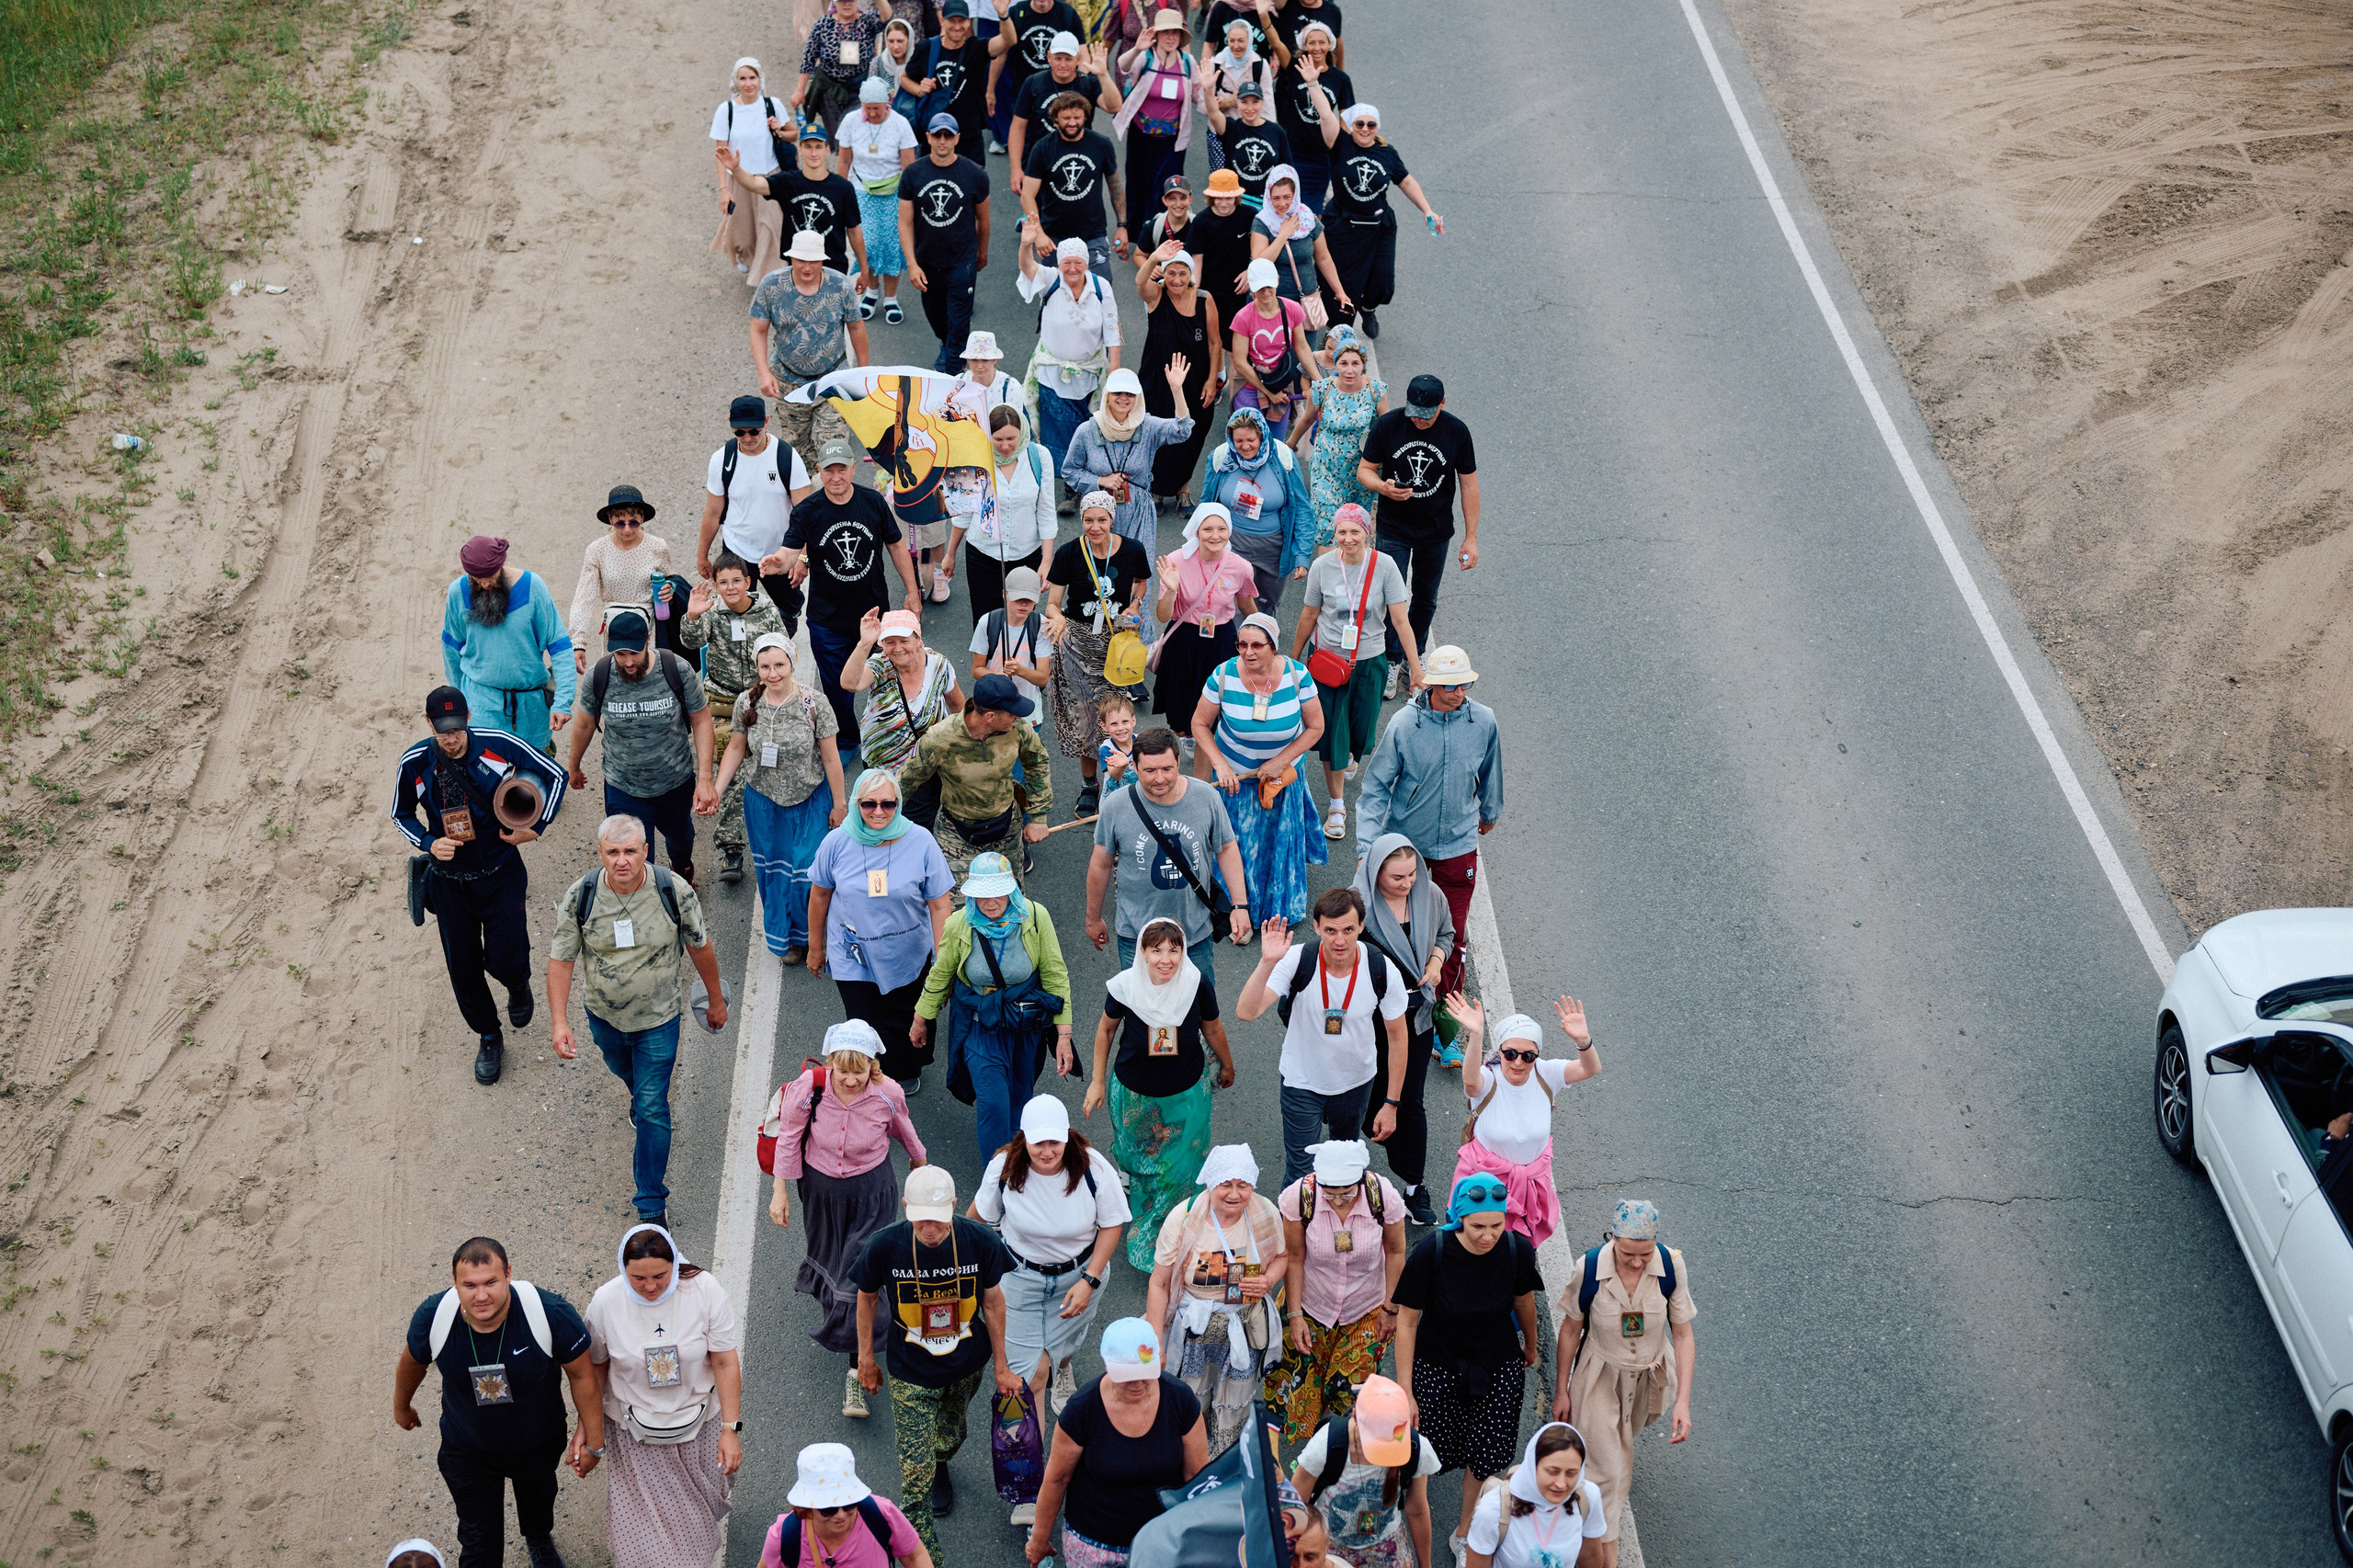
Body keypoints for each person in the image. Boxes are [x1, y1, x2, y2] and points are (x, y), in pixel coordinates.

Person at [548, 815, 727, 1228]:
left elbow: (699, 947)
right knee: (625, 1072)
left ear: (646, 850)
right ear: (601, 854)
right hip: (605, 1017)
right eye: (613, 852)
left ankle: (650, 1201)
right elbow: (561, 960)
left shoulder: (672, 891)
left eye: (630, 851)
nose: (622, 861)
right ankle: (637, 1091)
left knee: (652, 1107)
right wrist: (560, 1022)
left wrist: (715, 999)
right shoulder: (583, 896)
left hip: (659, 1019)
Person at [393, 686, 567, 1085]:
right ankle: (489, 1036)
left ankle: (517, 983)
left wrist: (536, 828)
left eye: (456, 728)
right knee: (464, 967)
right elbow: (400, 813)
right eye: (443, 730)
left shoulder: (498, 744)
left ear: (468, 719)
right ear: (429, 724)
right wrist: (427, 842)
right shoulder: (415, 762)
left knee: (507, 953)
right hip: (449, 883)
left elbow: (554, 775)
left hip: (501, 871)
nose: (451, 738)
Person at [393, 1237, 598, 1568]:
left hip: (537, 1442)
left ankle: (538, 1538)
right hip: (467, 1450)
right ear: (455, 1282)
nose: (481, 1295)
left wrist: (595, 1440)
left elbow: (583, 1375)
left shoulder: (549, 1313)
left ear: (508, 1275)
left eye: (491, 1282)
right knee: (478, 1541)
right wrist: (401, 1406)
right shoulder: (435, 1316)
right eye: (469, 1285)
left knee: (538, 1499)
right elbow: (412, 1363)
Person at [851, 1166, 1021, 1560]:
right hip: (910, 1372)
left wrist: (1002, 1366)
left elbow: (994, 1302)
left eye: (939, 1219)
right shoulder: (884, 1245)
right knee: (914, 1487)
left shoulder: (979, 1240)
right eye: (920, 1219)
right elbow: (867, 1296)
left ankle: (940, 1457)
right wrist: (865, 1358)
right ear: (906, 1208)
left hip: (966, 1367)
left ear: (954, 1207)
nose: (929, 1229)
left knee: (952, 1434)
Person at [767, 1019, 927, 1417]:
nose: (851, 1080)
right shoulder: (810, 1088)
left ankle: (857, 1370)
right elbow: (788, 1137)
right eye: (844, 1071)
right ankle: (852, 1324)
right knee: (836, 1265)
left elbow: (907, 1135)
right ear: (831, 1064)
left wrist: (922, 1180)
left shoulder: (887, 1093)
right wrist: (780, 1191)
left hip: (872, 1192)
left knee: (860, 1276)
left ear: (873, 1067)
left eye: (860, 1071)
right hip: (820, 1191)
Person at [1353, 644, 1500, 1051]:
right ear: (1431, 685)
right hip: (1408, 849)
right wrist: (1369, 848)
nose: (1459, 692)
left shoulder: (1483, 721)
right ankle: (1388, 1007)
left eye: (1465, 684)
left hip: (1458, 844)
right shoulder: (1404, 725)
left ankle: (1445, 1030)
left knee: (1451, 939)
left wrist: (1489, 812)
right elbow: (1375, 789)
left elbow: (1491, 773)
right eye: (1450, 686)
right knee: (1397, 933)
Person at [1390, 1176, 1542, 1562]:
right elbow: (1407, 1322)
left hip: (1497, 1365)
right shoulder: (1432, 1252)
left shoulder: (1516, 1250)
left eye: (1496, 1225)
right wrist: (1405, 1391)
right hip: (1438, 1366)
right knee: (1428, 1450)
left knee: (1488, 1453)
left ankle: (1465, 1531)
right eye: (1478, 1226)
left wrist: (1531, 1343)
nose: (1488, 1236)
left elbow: (1523, 1300)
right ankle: (1406, 1514)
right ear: (1459, 1218)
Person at [970, 1096, 1130, 1460]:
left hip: (1080, 1277)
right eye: (1038, 1142)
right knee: (1029, 1378)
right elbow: (976, 1218)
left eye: (1053, 1142)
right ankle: (1028, 1475)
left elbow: (1112, 1223)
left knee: (1068, 1342)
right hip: (1019, 1280)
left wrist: (1088, 1281)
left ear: (1066, 1136)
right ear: (1023, 1137)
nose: (1046, 1151)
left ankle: (1064, 1364)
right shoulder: (1003, 1168)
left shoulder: (1092, 1167)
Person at [583, 1225, 743, 1567]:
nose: (651, 1286)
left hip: (700, 1426)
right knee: (655, 1534)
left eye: (660, 1275)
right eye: (638, 1278)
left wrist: (731, 1428)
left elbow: (725, 1361)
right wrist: (587, 1427)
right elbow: (595, 1368)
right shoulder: (605, 1303)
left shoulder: (704, 1290)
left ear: (675, 1263)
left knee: (697, 1512)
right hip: (634, 1433)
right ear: (623, 1270)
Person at [1083, 917, 1233, 1270]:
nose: (1166, 959)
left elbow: (1212, 1028)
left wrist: (1227, 1066)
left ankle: (1169, 1249)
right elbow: (1105, 1030)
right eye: (1157, 950)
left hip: (1187, 1096)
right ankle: (1148, 1221)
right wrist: (1097, 1081)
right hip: (1135, 1096)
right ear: (1143, 953)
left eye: (1174, 950)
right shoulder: (1124, 987)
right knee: (1144, 1169)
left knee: (1180, 1174)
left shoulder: (1197, 985)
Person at [1551, 1201, 1694, 1567]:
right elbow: (1570, 1330)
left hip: (1651, 1378)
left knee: (1623, 1441)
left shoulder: (1671, 1266)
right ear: (1613, 1238)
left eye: (1645, 1254)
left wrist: (1683, 1403)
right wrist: (1562, 1390)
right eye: (1628, 1253)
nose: (1635, 1262)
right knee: (1608, 1474)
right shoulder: (1590, 1267)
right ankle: (1604, 1555)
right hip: (1600, 1378)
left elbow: (1683, 1334)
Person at [910, 852, 1077, 1153]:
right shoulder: (959, 924)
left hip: (1024, 1028)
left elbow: (1055, 974)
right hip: (981, 1027)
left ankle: (1017, 1169)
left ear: (1011, 888)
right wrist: (920, 1019)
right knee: (992, 1105)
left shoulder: (1036, 917)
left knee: (1019, 1101)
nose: (989, 903)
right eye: (980, 895)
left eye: (997, 893)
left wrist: (1064, 1037)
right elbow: (941, 973)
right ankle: (996, 1181)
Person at [1236, 888, 1405, 1184]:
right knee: (1301, 1173)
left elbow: (1397, 1038)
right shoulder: (1297, 959)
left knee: (1344, 1166)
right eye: (1330, 930)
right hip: (1302, 1082)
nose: (1340, 940)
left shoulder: (1380, 968)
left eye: (1348, 930)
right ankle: (1299, 1227)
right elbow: (1246, 1012)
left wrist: (1391, 1103)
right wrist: (1266, 962)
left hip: (1355, 1084)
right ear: (1316, 927)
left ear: (1361, 927)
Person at [809, 769, 957, 1088]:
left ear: (899, 804)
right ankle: (871, 1078)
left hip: (909, 955)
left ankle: (903, 1072)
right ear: (856, 804)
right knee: (864, 1023)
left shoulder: (921, 842)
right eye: (869, 804)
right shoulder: (836, 843)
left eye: (888, 804)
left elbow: (939, 905)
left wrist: (943, 960)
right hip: (853, 957)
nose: (879, 812)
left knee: (909, 1019)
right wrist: (815, 947)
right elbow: (820, 894)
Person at [1024, 1318, 1209, 1568]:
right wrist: (1039, 1539)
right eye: (1126, 1376)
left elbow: (1197, 1476)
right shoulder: (1082, 1409)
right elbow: (1057, 1479)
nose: (1137, 1384)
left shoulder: (1180, 1400)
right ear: (1107, 1365)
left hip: (1161, 1542)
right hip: (1094, 1545)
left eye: (1145, 1374)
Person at [780, 437, 926, 752]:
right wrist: (782, 560)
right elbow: (791, 546)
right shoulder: (808, 511)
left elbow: (897, 545)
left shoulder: (873, 503)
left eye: (842, 469)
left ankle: (891, 735)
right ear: (819, 471)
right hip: (827, 620)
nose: (836, 477)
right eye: (829, 470)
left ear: (853, 468)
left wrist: (912, 592)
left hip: (874, 618)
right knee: (836, 688)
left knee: (887, 679)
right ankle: (846, 740)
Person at [711, 632, 847, 959]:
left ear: (792, 663)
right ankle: (785, 936)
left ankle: (811, 936)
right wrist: (716, 790)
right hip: (764, 803)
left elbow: (830, 757)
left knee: (807, 872)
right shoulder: (747, 702)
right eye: (765, 666)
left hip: (810, 800)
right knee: (773, 874)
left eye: (779, 665)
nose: (773, 674)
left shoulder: (814, 703)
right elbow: (736, 747)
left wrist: (840, 804)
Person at [1143, 1144, 1286, 1453]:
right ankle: (1190, 1463)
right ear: (1211, 1183)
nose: (1234, 1194)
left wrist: (1268, 1280)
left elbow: (1283, 1256)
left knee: (1234, 1400)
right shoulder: (1183, 1218)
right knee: (1190, 1398)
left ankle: (1223, 1460)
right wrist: (1155, 1340)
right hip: (1193, 1329)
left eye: (1243, 1186)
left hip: (1243, 1325)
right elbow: (1159, 1282)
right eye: (1226, 1185)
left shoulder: (1265, 1213)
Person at [1265, 1139, 1404, 1449]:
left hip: (1366, 1307)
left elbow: (1396, 1252)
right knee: (1300, 1383)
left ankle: (1333, 1449)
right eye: (1331, 1193)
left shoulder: (1383, 1196)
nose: (1339, 1201)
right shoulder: (1299, 1198)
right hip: (1311, 1303)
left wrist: (1391, 1309)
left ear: (1362, 1178)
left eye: (1347, 1193)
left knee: (1350, 1390)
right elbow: (1295, 1257)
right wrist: (1295, 1314)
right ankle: (1312, 1450)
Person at [1189, 612, 1326, 924]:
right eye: (1242, 644)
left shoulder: (1298, 675)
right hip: (1236, 781)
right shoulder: (1223, 675)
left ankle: (1277, 906)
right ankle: (1238, 908)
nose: (1248, 652)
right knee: (1238, 845)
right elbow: (1199, 724)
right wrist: (1220, 765)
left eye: (1256, 645)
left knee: (1275, 845)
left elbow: (1315, 727)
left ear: (1273, 647)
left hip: (1281, 780)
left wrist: (1281, 761)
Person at [1293, 504, 1415, 837]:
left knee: (1361, 734)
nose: (1348, 539)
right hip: (1328, 661)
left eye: (1354, 531)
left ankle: (1350, 752)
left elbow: (1400, 619)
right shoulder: (1322, 566)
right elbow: (1308, 615)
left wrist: (1415, 668)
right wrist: (1290, 662)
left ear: (1367, 532)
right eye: (1341, 532)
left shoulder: (1385, 566)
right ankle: (1336, 807)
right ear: (1334, 535)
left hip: (1370, 660)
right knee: (1333, 734)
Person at [568, 608, 717, 881]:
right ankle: (646, 904)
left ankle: (682, 873)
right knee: (634, 857)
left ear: (648, 639)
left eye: (633, 653)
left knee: (682, 840)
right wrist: (573, 766)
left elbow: (702, 721)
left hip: (674, 782)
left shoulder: (677, 669)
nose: (627, 662)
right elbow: (585, 724)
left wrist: (705, 777)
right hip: (623, 786)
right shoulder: (599, 676)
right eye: (620, 654)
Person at [1347, 835, 1450, 1227]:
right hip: (1367, 1019)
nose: (1407, 884)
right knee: (1363, 1095)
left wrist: (1437, 962)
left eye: (1412, 874)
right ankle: (1352, 1173)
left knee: (1409, 1101)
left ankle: (1413, 1186)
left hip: (1415, 1015)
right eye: (1396, 877)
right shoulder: (1358, 906)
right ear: (1375, 873)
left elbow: (1447, 934)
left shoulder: (1431, 894)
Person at [1086, 727, 1252, 967]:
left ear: (1178, 760)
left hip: (1194, 933)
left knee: (1198, 1003)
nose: (1160, 778)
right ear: (1134, 766)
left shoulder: (1206, 797)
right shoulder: (1115, 806)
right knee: (1140, 1004)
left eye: (1167, 769)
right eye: (1150, 770)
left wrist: (1240, 905)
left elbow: (1226, 848)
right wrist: (1093, 918)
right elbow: (1100, 863)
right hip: (1137, 935)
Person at [681, 551, 797, 886]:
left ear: (748, 582)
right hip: (721, 700)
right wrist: (691, 616)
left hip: (761, 698)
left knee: (769, 765)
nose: (730, 588)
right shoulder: (712, 612)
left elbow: (786, 653)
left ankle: (777, 837)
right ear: (715, 586)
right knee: (730, 772)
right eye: (723, 582)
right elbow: (692, 640)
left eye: (736, 581)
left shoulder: (767, 611)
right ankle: (731, 848)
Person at [1449, 1000, 1596, 1252]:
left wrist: (1583, 1041)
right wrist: (1476, 1034)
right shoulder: (1488, 1077)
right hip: (1485, 1181)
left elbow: (1589, 1068)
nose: (1518, 1062)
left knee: (1518, 1249)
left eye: (1528, 1056)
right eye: (1510, 1054)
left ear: (1536, 1056)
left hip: (1531, 1184)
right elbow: (1471, 1082)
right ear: (1500, 1051)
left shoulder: (1546, 1073)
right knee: (1477, 1244)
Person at [1357, 377, 1479, 660]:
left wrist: (1470, 537)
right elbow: (1365, 470)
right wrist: (1383, 487)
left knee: (1425, 598)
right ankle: (1391, 658)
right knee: (1391, 597)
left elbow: (1469, 484)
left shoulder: (1456, 432)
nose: (1420, 421)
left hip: (1435, 531)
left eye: (1427, 415)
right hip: (1393, 529)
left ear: (1443, 404)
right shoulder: (1388, 426)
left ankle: (1417, 654)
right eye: (1414, 414)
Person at [1046, 494, 1152, 813]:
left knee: (1116, 718)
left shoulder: (1133, 549)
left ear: (1112, 520)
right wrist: (1058, 617)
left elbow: (1142, 583)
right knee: (1086, 720)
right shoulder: (1068, 554)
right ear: (1082, 520)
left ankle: (1118, 782)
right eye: (1089, 520)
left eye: (1101, 520)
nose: (1095, 527)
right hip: (1077, 643)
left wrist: (1134, 605)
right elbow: (1052, 602)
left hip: (1116, 644)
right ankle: (1089, 786)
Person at [896, 674, 1056, 887]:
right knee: (956, 905)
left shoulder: (1018, 730)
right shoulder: (940, 738)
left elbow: (1037, 764)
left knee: (1008, 898)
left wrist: (1038, 817)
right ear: (990, 716)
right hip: (957, 832)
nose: (1016, 717)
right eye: (1011, 713)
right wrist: (879, 824)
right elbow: (906, 781)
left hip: (1005, 826)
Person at [1286, 1374, 1438, 1568]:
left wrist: (1426, 1565)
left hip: (1386, 1547)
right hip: (1330, 1547)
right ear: (1355, 1415)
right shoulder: (1325, 1445)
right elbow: (1295, 1507)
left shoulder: (1415, 1448)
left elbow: (1417, 1510)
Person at [441, 534, 575, 753]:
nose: (484, 584)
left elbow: (559, 645)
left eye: (489, 576)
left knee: (531, 780)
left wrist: (562, 701)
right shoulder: (457, 592)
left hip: (531, 707)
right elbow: (451, 649)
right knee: (486, 777)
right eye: (476, 578)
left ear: (502, 563)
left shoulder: (534, 587)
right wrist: (460, 701)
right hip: (480, 706)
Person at [1017, 238, 1122, 508]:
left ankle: (1082, 485)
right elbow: (1027, 267)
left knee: (1086, 430)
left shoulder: (1101, 287)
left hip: (1089, 375)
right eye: (1067, 263)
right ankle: (1066, 490)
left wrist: (1115, 375)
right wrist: (1025, 243)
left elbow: (1112, 332)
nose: (1072, 268)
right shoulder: (1051, 280)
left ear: (1086, 263)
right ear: (1059, 264)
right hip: (1052, 372)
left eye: (1078, 262)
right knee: (1057, 431)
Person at [1321, 105, 1439, 341]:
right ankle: (1339, 337)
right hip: (1346, 229)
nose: (1365, 129)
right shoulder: (1341, 145)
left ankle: (1368, 308)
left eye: (1371, 125)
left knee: (1383, 282)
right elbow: (1325, 114)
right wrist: (1313, 83)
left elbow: (1405, 181)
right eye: (1359, 124)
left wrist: (1427, 210)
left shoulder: (1387, 153)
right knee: (1347, 287)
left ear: (1377, 127)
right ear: (1352, 126)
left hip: (1379, 227)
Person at [696, 395, 815, 632]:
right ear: (731, 424)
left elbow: (806, 515)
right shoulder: (722, 460)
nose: (748, 438)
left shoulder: (786, 456)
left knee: (789, 610)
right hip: (737, 549)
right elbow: (713, 512)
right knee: (736, 614)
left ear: (766, 422)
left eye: (754, 431)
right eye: (740, 432)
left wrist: (802, 558)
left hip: (780, 553)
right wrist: (702, 555)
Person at [749, 231, 867, 467]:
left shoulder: (840, 286)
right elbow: (758, 330)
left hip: (832, 381)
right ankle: (808, 497)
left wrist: (863, 374)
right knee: (798, 452)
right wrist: (764, 373)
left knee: (833, 453)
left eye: (813, 261)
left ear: (822, 260)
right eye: (801, 260)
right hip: (789, 382)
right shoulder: (772, 285)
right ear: (791, 258)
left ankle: (831, 497)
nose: (807, 267)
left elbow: (856, 328)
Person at [1061, 362, 1197, 551]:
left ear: (1137, 398)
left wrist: (1176, 389)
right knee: (1103, 574)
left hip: (1139, 513)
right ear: (1107, 396)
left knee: (1137, 574)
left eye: (1130, 394)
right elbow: (1069, 471)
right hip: (1099, 516)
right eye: (1117, 393)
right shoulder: (1086, 431)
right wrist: (1100, 480)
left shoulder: (1148, 426)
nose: (1124, 398)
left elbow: (1182, 430)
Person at [900, 115, 994, 372]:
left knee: (960, 323)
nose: (943, 141)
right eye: (937, 135)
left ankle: (953, 375)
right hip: (927, 262)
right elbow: (905, 222)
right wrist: (911, 264)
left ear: (957, 138)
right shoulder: (913, 174)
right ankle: (947, 344)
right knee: (937, 317)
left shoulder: (974, 174)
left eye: (948, 135)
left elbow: (983, 219)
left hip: (961, 263)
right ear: (928, 137)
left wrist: (982, 252)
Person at [1150, 504, 1256, 726]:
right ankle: (1189, 736)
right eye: (1207, 529)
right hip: (1183, 638)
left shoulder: (1241, 566)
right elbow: (1162, 616)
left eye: (1222, 529)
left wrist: (1265, 635)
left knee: (1217, 708)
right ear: (1196, 531)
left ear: (1229, 531)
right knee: (1179, 718)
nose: (1215, 536)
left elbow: (1246, 605)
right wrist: (1171, 590)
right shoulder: (1175, 561)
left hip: (1222, 640)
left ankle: (1203, 742)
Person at [1135, 240, 1222, 509]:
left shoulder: (1205, 299)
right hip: (1158, 380)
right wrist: (1153, 260)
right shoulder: (1156, 296)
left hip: (1195, 382)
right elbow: (1140, 283)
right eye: (1171, 272)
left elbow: (1214, 343)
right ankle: (1156, 488)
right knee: (1158, 435)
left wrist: (1212, 380)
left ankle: (1183, 488)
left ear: (1191, 276)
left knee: (1192, 435)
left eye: (1182, 273)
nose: (1176, 279)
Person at [722, 121, 869, 279]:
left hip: (832, 268)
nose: (813, 153)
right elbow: (755, 184)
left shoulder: (843, 188)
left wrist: (864, 270)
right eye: (808, 147)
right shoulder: (788, 182)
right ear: (800, 149)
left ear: (827, 150)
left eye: (818, 147)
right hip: (797, 267)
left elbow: (854, 231)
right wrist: (736, 169)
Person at [1203, 408, 1314, 612]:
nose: (1245, 447)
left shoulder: (1283, 458)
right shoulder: (1220, 458)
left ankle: (1262, 641)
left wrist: (1301, 555)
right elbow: (1206, 507)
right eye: (1238, 441)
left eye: (1251, 440)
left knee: (1267, 603)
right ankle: (1237, 643)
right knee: (1233, 604)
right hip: (1233, 544)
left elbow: (1301, 509)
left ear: (1262, 436)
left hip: (1275, 549)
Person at [949, 406, 1057, 617]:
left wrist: (1046, 561)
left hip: (1026, 555)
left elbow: (1046, 511)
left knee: (1022, 621)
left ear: (1022, 432)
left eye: (1011, 438)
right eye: (998, 439)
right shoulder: (974, 456)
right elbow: (964, 510)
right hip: (983, 555)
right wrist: (950, 554)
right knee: (986, 622)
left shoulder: (1040, 457)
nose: (1005, 446)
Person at [760, 1444, 935, 1568]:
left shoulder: (881, 1513)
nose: (841, 1515)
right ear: (807, 1507)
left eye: (850, 1504)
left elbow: (914, 1556)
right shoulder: (784, 1536)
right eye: (828, 1509)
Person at [842, 608, 966, 779]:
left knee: (926, 805)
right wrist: (864, 643)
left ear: (918, 641)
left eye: (904, 641)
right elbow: (849, 684)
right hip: (883, 764)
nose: (898, 648)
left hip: (927, 762)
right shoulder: (880, 665)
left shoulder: (938, 665)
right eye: (890, 642)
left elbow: (957, 704)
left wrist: (966, 742)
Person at [569, 483, 682, 669]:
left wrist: (671, 590)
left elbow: (671, 581)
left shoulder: (658, 547)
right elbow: (584, 597)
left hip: (649, 628)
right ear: (610, 519)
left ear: (642, 518)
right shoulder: (597, 550)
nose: (627, 529)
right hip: (614, 629)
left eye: (634, 522)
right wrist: (578, 643)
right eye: (620, 523)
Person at [1461, 1425, 1608, 1568]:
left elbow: (1591, 1556)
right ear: (1533, 1467)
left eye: (1571, 1473)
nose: (1561, 1484)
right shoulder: (1493, 1509)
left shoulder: (1587, 1497)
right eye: (1553, 1471)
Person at [1291, 335, 1386, 548]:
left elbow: (1386, 429)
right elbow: (1306, 419)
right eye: (1343, 363)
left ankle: (1351, 577)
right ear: (1336, 364)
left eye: (1355, 363)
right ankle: (1327, 579)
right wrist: (1290, 444)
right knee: (1327, 528)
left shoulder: (1376, 390)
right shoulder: (1321, 389)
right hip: (1326, 469)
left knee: (1354, 528)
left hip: (1361, 471)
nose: (1349, 370)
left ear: (1363, 364)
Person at [1020, 90, 1125, 278]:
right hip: (1054, 235)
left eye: (1077, 117)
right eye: (1066, 117)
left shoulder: (1101, 144)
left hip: (1093, 233)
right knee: (1054, 292)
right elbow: (1027, 195)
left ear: (1085, 115)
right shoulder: (1042, 148)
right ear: (1055, 119)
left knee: (1102, 288)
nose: (1072, 122)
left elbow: (1115, 186)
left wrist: (1122, 225)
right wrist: (1039, 234)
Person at [842, 80, 920, 322]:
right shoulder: (851, 121)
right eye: (868, 108)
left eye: (878, 108)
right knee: (868, 244)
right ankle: (872, 292)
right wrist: (838, 193)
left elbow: (909, 167)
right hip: (862, 190)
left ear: (888, 103)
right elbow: (844, 162)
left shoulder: (900, 124)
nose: (873, 113)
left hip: (893, 192)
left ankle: (891, 298)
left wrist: (910, 201)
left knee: (892, 245)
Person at [1112, 13, 1196, 217]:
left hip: (1171, 140)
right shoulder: (1146, 56)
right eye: (1165, 32)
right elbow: (1123, 66)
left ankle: (1164, 233)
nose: (1170, 37)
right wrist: (1137, 49)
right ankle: (1138, 237)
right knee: (1138, 182)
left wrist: (1214, 99)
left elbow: (1199, 94)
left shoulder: (1187, 62)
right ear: (1157, 35)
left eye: (1175, 32)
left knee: (1168, 188)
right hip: (1141, 135)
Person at [715, 60, 790, 285]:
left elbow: (793, 135)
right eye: (743, 78)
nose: (748, 84)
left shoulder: (772, 105)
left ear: (760, 79)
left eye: (752, 78)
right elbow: (720, 154)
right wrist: (723, 190)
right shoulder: (726, 110)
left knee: (771, 228)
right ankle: (749, 259)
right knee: (744, 235)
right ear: (736, 82)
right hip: (740, 178)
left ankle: (769, 279)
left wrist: (780, 130)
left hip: (770, 178)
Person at [1250, 167, 1349, 332]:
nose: (1282, 204)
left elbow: (1323, 258)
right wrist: (1283, 235)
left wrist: (1339, 290)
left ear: (1295, 195)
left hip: (1306, 301)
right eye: (1276, 198)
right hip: (1273, 302)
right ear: (1268, 197)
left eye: (1287, 197)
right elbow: (1260, 262)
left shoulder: (1308, 218)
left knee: (1306, 354)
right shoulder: (1262, 221)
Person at [1008, 34, 1122, 176]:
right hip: (1041, 161)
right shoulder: (1033, 83)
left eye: (1068, 59)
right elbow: (1018, 126)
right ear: (1049, 57)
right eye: (1058, 58)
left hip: (1079, 158)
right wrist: (1016, 169)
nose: (1063, 64)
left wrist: (1103, 75)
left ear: (1078, 59)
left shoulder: (1087, 82)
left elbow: (1114, 107)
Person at [1227, 258, 1315, 439]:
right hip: (1250, 385)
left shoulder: (1292, 309)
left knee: (1276, 442)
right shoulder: (1243, 317)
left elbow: (1302, 347)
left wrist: (1319, 381)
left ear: (1277, 280)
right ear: (1251, 286)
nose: (1266, 292)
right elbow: (1240, 363)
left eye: (1269, 286)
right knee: (1249, 442)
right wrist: (1268, 392)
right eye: (1260, 287)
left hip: (1280, 383)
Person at [904, 0, 996, 160]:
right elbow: (904, 78)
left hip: (969, 136)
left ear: (968, 22)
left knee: (971, 183)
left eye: (961, 21)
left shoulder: (976, 48)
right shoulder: (926, 47)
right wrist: (919, 89)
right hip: (934, 136)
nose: (957, 26)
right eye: (952, 21)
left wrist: (1003, 15)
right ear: (943, 21)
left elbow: (1008, 41)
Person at [1268, 28, 1348, 211]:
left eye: (1322, 42)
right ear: (1304, 45)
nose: (1317, 48)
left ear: (1330, 45)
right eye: (1311, 43)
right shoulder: (1295, 67)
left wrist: (1342, 151)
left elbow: (1346, 119)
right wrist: (1264, 15)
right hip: (1291, 152)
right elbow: (1276, 44)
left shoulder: (1340, 79)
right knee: (1285, 206)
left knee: (1313, 212)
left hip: (1321, 158)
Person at [799, 0, 893, 135]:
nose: (847, 4)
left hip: (860, 89)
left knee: (854, 130)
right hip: (831, 90)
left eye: (850, 0)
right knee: (837, 135)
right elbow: (809, 58)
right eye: (842, 1)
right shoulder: (823, 24)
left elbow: (886, 17)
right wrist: (799, 91)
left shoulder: (866, 21)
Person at [971, 565, 1055, 710]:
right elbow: (977, 669)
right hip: (993, 706)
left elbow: (1043, 679)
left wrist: (1019, 670)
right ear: (1005, 594)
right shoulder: (988, 622)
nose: (1023, 603)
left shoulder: (1041, 626)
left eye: (1029, 599)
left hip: (1027, 709)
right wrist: (999, 678)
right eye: (1018, 598)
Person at [1192, 169, 1258, 344]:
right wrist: (1195, 296)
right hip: (1210, 292)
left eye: (1228, 198)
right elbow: (1196, 260)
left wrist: (1251, 271)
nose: (1224, 203)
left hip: (1238, 291)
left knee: (1235, 344)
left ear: (1236, 196)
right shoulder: (1201, 221)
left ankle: (1233, 373)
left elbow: (1259, 249)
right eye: (1219, 198)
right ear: (1211, 197)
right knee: (1212, 342)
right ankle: (1217, 372)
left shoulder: (1250, 215)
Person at [1199, 20, 1274, 174]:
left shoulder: (1259, 65)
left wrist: (1270, 136)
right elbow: (1202, 104)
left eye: (1241, 41)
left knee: (1245, 178)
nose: (1236, 46)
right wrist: (1228, 103)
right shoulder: (1216, 64)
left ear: (1250, 41)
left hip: (1250, 133)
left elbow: (1267, 104)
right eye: (1231, 40)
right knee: (1220, 180)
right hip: (1219, 133)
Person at [1200, 78, 1289, 207]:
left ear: (1262, 103)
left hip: (1267, 204)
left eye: (1255, 102)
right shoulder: (1231, 128)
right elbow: (1213, 113)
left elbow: (1287, 170)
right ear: (1237, 102)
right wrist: (1207, 90)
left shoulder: (1276, 131)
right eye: (1244, 102)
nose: (1249, 108)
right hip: (1237, 202)